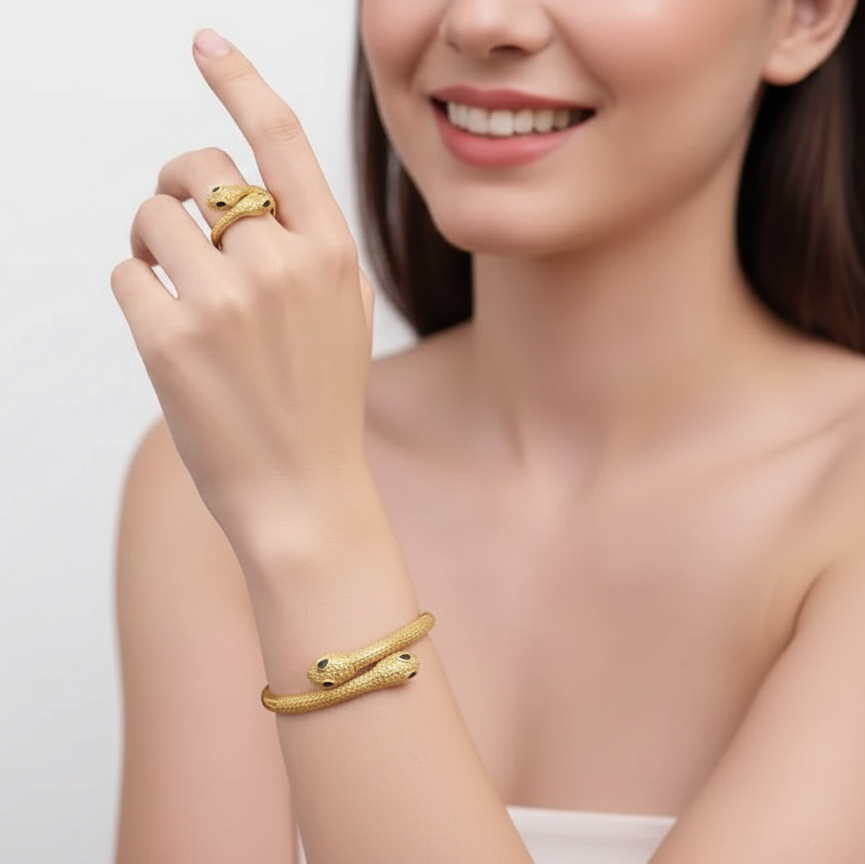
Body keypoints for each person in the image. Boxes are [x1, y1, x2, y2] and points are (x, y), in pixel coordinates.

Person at [110, 2, 865, 862]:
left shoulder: (277, 480)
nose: (482, 19)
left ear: (803, 17)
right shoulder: (211, 471)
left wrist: (309, 525)